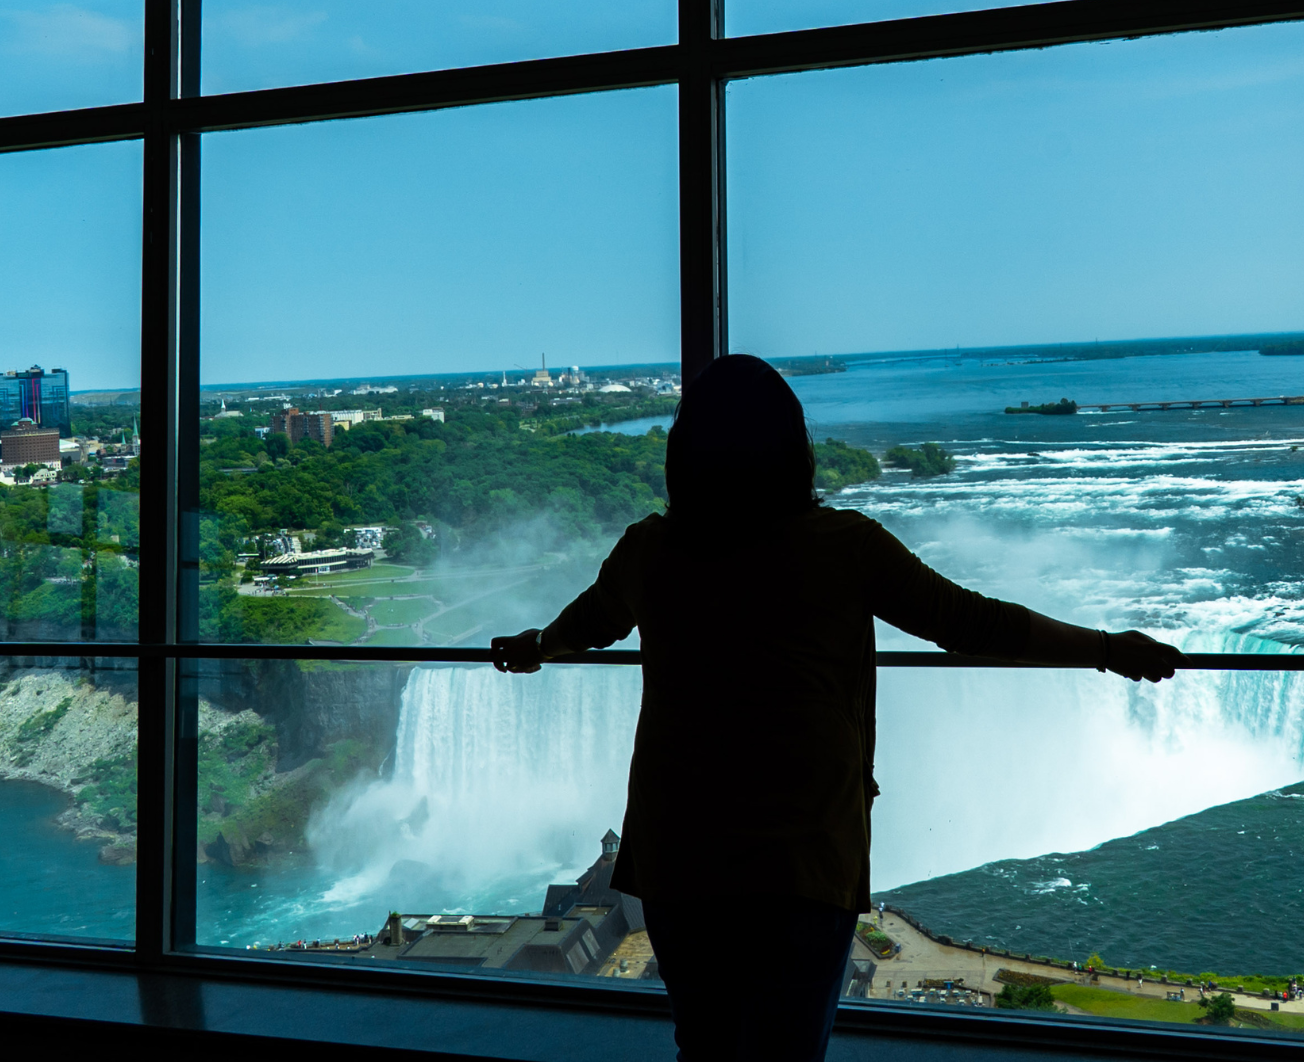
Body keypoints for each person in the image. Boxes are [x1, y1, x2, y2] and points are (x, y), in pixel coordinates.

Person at [492, 354, 1186, 1062]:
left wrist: (536, 644)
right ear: (795, 452)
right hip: (803, 858)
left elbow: (589, 620)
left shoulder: (650, 550)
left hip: (678, 856)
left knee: (705, 1048)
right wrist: (1103, 646)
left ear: (683, 455)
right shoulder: (846, 548)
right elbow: (972, 622)